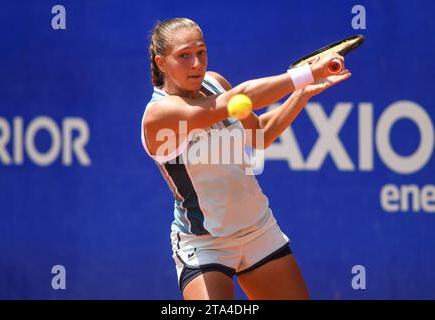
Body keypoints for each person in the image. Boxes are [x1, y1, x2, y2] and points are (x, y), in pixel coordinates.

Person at [141, 18, 351, 300]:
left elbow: (260, 135)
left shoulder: (215, 83)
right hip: (205, 244)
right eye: (184, 56)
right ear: (161, 63)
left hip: (258, 230)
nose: (196, 63)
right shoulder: (159, 114)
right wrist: (306, 74)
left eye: (201, 52)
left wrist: (301, 94)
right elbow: (242, 97)